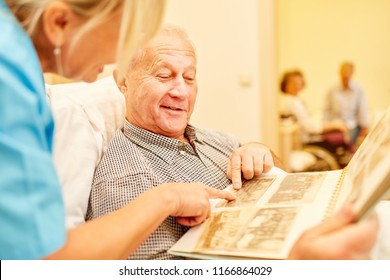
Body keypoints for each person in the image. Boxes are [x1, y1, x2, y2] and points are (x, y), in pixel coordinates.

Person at [86, 26, 378, 260]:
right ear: (123, 81)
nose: (181, 91)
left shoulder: (218, 140)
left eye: (190, 77)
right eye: (164, 75)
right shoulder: (126, 176)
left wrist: (262, 153)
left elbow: (279, 175)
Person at [0, 0, 236, 260]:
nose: (118, 56)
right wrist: (168, 197)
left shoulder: (23, 76)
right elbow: (39, 261)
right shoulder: (10, 83)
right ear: (59, 23)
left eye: (189, 78)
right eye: (120, 37)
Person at [279, 70, 352, 167]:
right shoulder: (291, 102)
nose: (296, 85)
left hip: (309, 137)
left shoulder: (295, 100)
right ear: (285, 84)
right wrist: (333, 126)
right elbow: (309, 127)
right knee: (341, 137)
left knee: (341, 131)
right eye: (293, 82)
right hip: (307, 141)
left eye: (299, 81)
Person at [324, 62, 370, 148]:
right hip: (336, 125)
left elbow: (362, 110)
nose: (345, 75)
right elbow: (327, 110)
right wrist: (325, 126)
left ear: (352, 73)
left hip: (352, 125)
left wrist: (365, 127)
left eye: (348, 72)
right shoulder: (332, 90)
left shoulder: (358, 90)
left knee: (346, 141)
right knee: (328, 142)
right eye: (344, 72)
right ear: (340, 73)